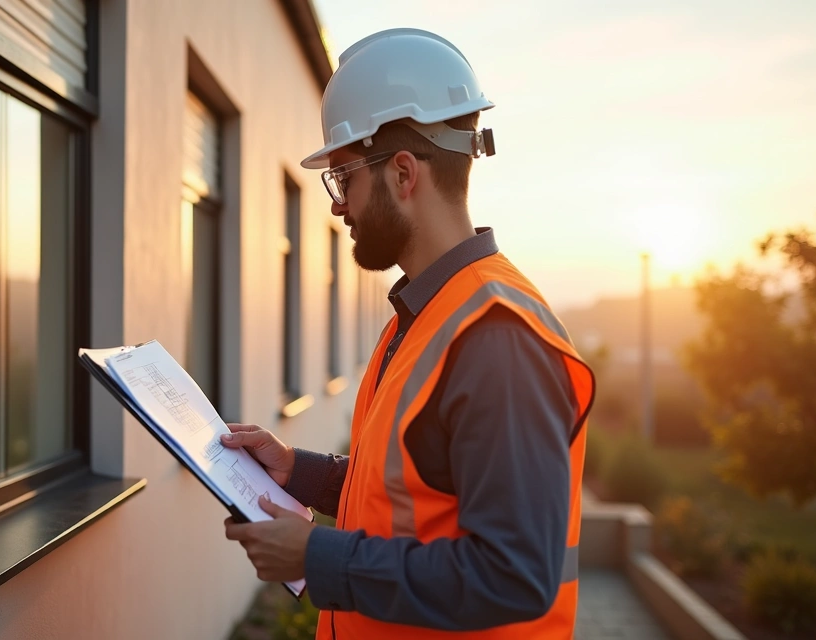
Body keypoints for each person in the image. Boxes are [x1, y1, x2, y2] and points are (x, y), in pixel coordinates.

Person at [221, 28, 595, 639]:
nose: (337, 205)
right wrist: (297, 472)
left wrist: (317, 557)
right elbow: (413, 488)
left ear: (402, 174)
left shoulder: (498, 340)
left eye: (343, 177)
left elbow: (514, 575)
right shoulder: (424, 314)